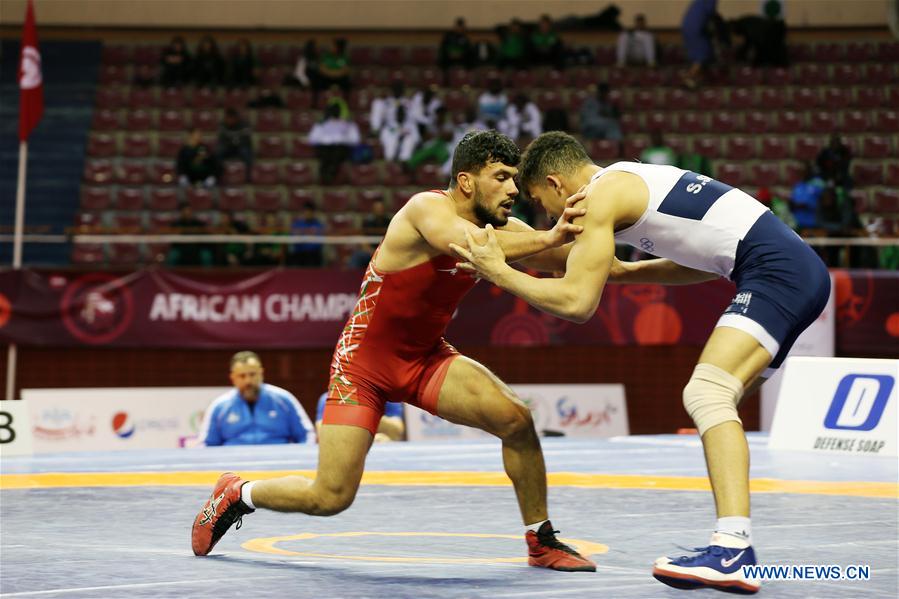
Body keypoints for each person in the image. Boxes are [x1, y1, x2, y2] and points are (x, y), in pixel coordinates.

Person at [191, 130, 597, 573]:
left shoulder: (503, 229)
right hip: (361, 367)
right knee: (331, 497)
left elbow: (573, 260)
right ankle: (237, 492)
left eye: (515, 178)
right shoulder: (427, 210)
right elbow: (480, 247)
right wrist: (552, 235)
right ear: (466, 181)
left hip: (425, 359)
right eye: (501, 177)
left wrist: (646, 253)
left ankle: (540, 540)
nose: (515, 190)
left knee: (516, 420)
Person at [450, 131, 831, 594]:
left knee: (707, 392)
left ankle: (732, 549)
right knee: (720, 399)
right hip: (792, 269)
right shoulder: (629, 182)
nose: (549, 215)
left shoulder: (600, 197)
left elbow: (577, 303)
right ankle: (731, 542)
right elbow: (712, 257)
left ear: (554, 183)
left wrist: (499, 273)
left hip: (778, 272)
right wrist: (630, 273)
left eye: (539, 201)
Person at [198, 351, 315, 446]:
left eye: (252, 374)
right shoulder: (220, 406)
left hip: (280, 467)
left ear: (261, 373)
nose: (248, 381)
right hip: (233, 468)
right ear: (233, 378)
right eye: (242, 376)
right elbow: (206, 444)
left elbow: (307, 435)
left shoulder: (284, 399)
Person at [308, 99, 361, 185]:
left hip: (341, 148)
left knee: (337, 153)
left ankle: (331, 174)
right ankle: (324, 176)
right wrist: (327, 139)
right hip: (325, 148)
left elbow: (355, 140)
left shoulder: (349, 124)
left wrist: (342, 139)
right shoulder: (321, 124)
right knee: (326, 155)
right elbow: (312, 139)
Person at [315, 392, 404, 442]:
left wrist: (366, 411)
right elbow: (321, 434)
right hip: (344, 446)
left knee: (384, 440)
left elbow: (397, 430)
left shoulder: (389, 397)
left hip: (379, 448)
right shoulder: (329, 397)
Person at [288, 201, 325, 267]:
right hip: (299, 253)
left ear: (313, 212)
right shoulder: (297, 224)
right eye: (305, 211)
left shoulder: (318, 225)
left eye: (309, 211)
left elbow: (318, 243)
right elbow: (293, 238)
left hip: (313, 254)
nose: (307, 213)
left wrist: (302, 237)